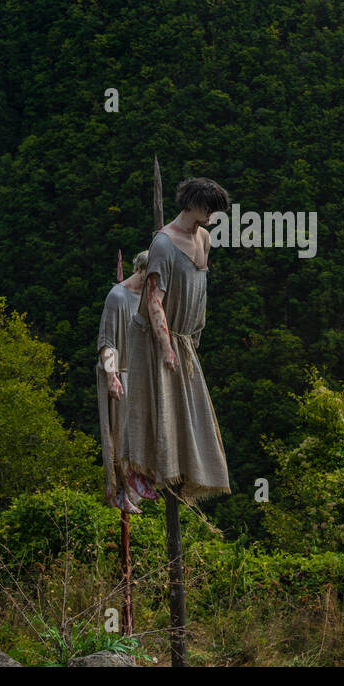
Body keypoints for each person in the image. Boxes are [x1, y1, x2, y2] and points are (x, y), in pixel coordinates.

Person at [120, 177, 231, 503]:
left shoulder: (204, 238)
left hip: (184, 338)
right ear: (194, 204)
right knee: (152, 405)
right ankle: (138, 473)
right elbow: (154, 300)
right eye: (209, 208)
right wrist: (166, 346)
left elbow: (200, 288)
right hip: (157, 338)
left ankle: (178, 474)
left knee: (185, 410)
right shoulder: (164, 245)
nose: (212, 215)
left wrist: (195, 333)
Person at [97, 250, 148, 513]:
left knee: (140, 436)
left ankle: (137, 484)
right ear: (141, 270)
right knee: (118, 436)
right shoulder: (117, 297)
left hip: (140, 377)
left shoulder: (150, 298)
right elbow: (106, 344)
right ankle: (119, 491)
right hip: (120, 372)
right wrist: (112, 376)